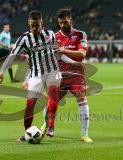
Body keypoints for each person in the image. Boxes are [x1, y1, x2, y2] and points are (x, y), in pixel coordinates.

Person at [0, 10, 61, 142]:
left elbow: (55, 51)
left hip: (53, 71)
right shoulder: (24, 39)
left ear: (41, 22)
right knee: (30, 104)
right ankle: (27, 133)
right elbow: (12, 56)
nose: (35, 28)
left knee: (53, 92)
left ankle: (51, 126)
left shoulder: (50, 34)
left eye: (37, 25)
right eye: (32, 26)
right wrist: (1, 71)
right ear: (29, 23)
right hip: (36, 74)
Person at [43, 9, 93, 142]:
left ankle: (84, 134)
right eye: (60, 23)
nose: (62, 25)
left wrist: (63, 50)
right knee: (50, 103)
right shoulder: (54, 36)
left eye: (65, 22)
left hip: (76, 74)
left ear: (70, 20)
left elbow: (82, 54)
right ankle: (45, 127)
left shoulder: (80, 35)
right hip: (60, 75)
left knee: (81, 99)